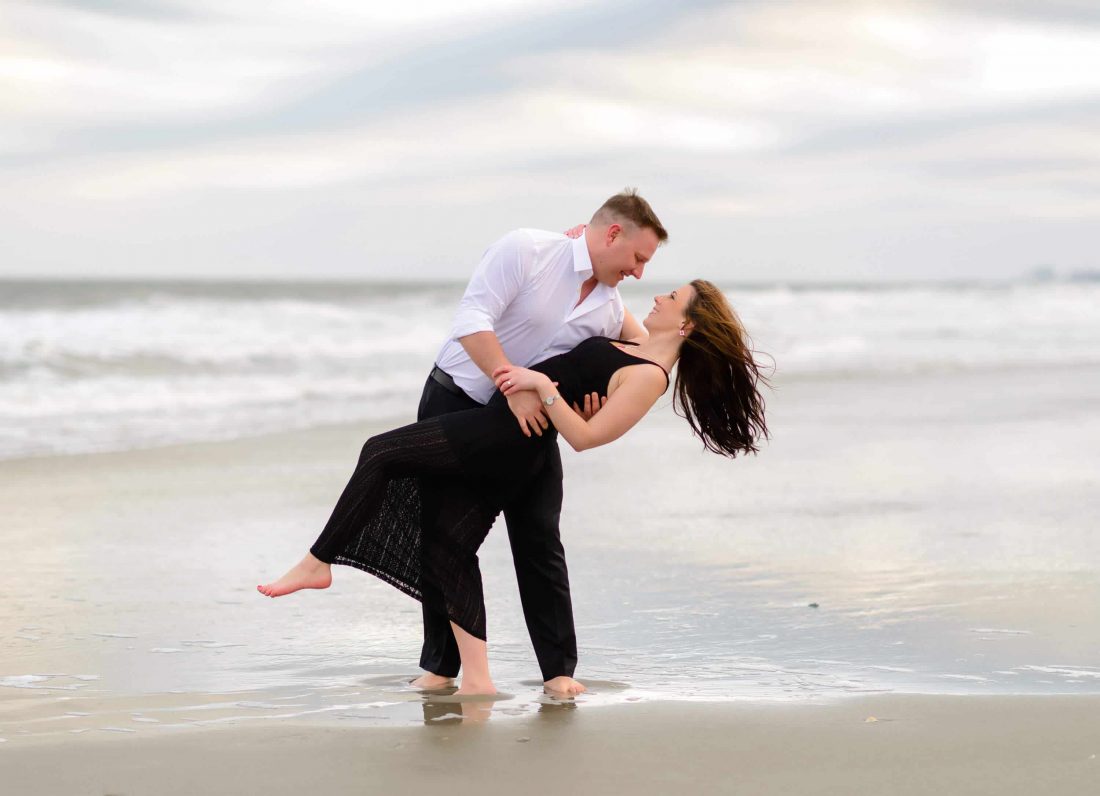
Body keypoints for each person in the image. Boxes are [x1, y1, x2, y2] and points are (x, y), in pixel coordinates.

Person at [257, 279, 770, 696]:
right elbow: (601, 297)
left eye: (672, 297)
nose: (659, 295)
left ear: (686, 323)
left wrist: (546, 391)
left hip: (505, 437)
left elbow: (587, 438)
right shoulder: (637, 341)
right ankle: (478, 680)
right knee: (447, 545)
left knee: (380, 451)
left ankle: (319, 561)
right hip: (506, 430)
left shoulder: (651, 375)